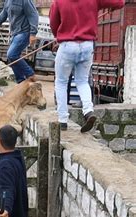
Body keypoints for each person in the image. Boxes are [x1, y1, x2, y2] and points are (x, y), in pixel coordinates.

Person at [50, 0, 124, 132]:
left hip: (67, 45)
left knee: (61, 82)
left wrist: (59, 36)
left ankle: (62, 120)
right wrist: (112, 8)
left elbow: (54, 24)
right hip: (87, 45)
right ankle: (88, 111)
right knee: (82, 81)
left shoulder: (59, 1)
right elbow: (120, 2)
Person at [0, 0, 39, 84]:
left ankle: (30, 74)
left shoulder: (25, 1)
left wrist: (33, 33)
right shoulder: (8, 1)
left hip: (24, 32)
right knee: (12, 58)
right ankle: (20, 81)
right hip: (15, 33)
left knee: (11, 54)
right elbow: (3, 15)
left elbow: (33, 15)